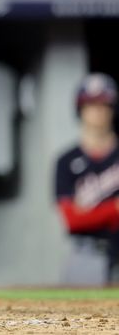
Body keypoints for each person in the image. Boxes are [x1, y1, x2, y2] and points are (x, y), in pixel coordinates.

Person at [55, 73, 119, 285]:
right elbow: (72, 220)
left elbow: (82, 215)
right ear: (80, 109)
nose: (98, 111)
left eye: (103, 104)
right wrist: (114, 209)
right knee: (75, 316)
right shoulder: (66, 160)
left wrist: (91, 213)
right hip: (87, 253)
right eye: (91, 104)